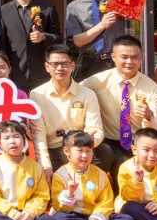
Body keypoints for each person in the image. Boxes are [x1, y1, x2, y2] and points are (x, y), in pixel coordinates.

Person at [81, 35, 157, 190]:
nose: (129, 62)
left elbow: (154, 131)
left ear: (141, 58)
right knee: (100, 157)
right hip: (105, 141)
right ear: (113, 57)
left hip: (134, 143)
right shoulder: (97, 81)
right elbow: (75, 93)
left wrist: (148, 115)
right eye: (124, 57)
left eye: (135, 57)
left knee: (129, 186)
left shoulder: (152, 88)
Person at [50, 131, 137, 220]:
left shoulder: (100, 174)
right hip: (73, 216)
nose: (84, 155)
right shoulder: (60, 175)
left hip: (94, 215)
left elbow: (106, 202)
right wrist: (69, 193)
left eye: (88, 151)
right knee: (59, 219)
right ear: (67, 151)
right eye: (79, 151)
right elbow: (58, 206)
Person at [29, 44, 104, 177]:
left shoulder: (88, 94)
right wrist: (46, 166)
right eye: (55, 64)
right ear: (47, 67)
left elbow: (95, 128)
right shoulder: (36, 95)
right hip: (53, 150)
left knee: (106, 153)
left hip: (80, 147)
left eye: (64, 64)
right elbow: (38, 133)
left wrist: (91, 140)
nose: (60, 68)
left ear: (72, 66)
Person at [0, 0, 61, 92]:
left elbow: (58, 38)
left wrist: (44, 37)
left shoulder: (47, 7)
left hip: (42, 70)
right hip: (15, 71)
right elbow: (1, 45)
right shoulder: (3, 11)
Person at [66, 0, 124, 81]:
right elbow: (77, 41)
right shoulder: (73, 7)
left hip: (117, 61)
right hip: (90, 63)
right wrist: (102, 25)